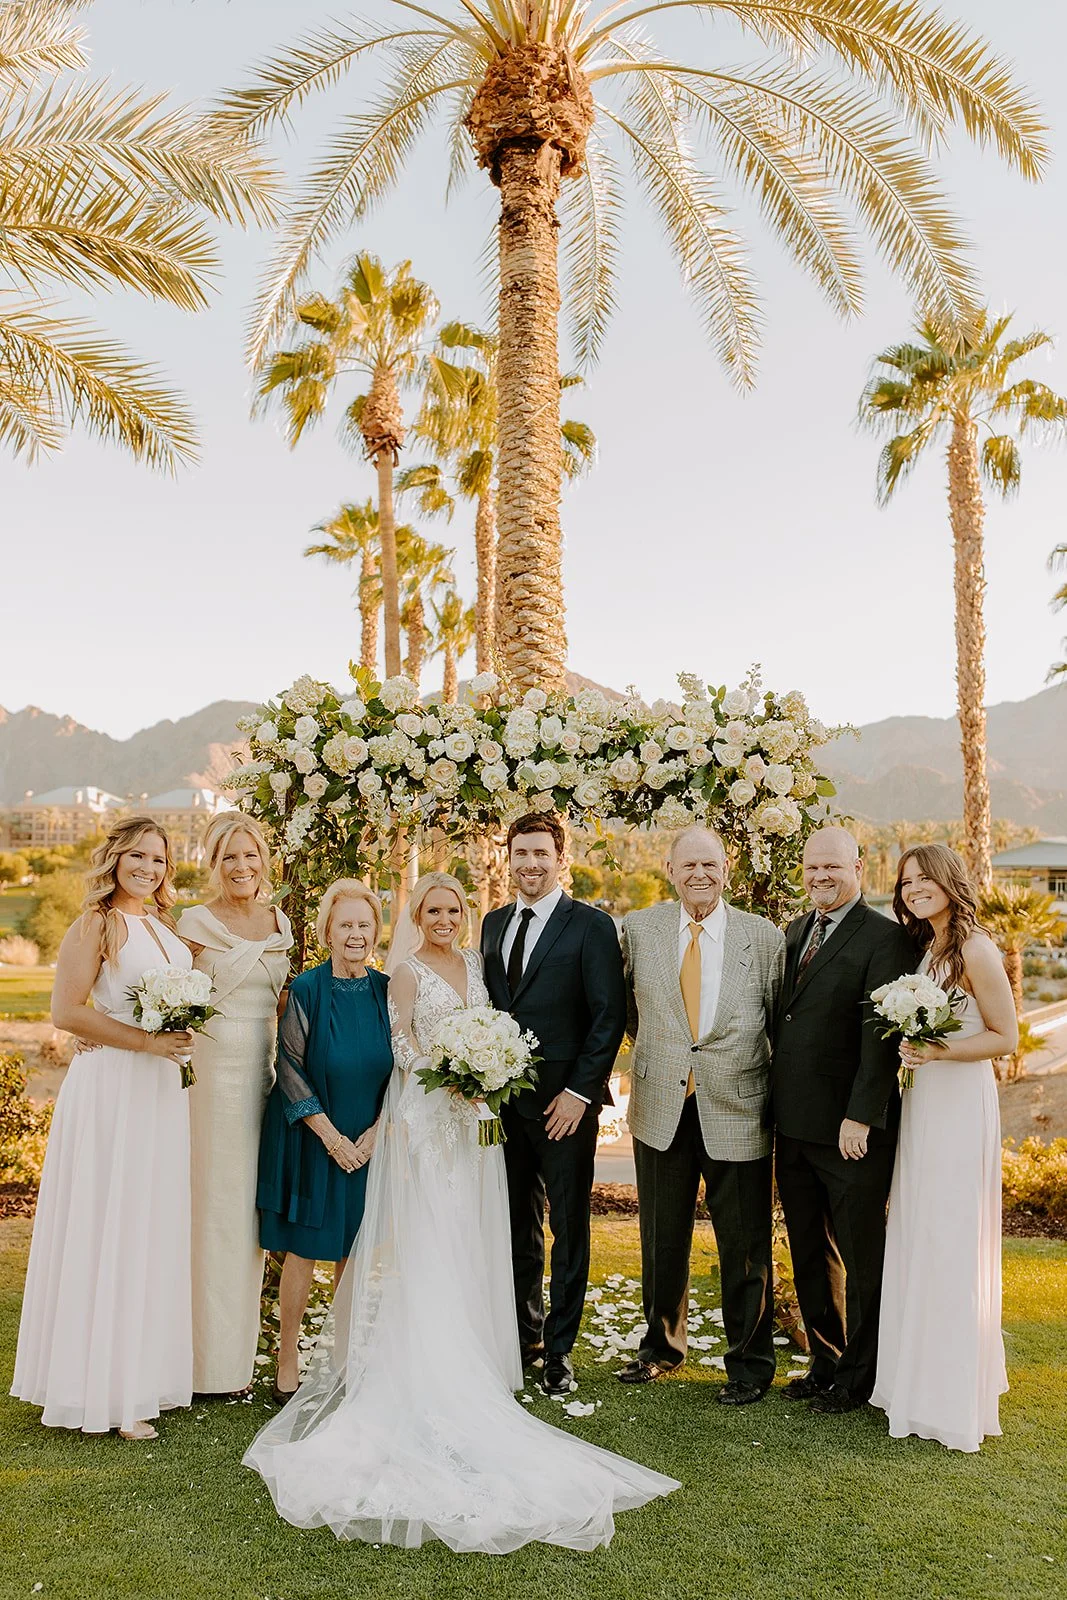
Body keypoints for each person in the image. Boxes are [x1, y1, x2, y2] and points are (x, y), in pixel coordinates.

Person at [243, 870, 679, 1553]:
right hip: (431, 1118)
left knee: (477, 1235)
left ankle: (478, 1354)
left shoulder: (477, 964)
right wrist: (449, 1075)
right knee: (429, 1237)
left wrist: (489, 1073)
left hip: (479, 1125)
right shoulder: (404, 973)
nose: (443, 918)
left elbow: (498, 1028)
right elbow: (402, 1046)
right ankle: (420, 1362)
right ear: (416, 916)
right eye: (432, 910)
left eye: (452, 909)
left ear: (463, 914)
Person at [12, 817, 196, 1441]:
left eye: (159, 859)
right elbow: (65, 1011)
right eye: (137, 855)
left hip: (159, 1091)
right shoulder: (95, 923)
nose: (148, 867)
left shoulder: (166, 928)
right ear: (115, 859)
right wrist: (146, 1042)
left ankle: (141, 1376)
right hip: (113, 1086)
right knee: (109, 1222)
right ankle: (104, 1393)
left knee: (146, 1226)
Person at [617, 826, 785, 1405]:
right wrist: (666, 1056)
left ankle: (749, 1365)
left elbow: (777, 1020)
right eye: (688, 865)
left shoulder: (763, 938)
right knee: (661, 1237)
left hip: (738, 1105)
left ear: (726, 869)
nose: (699, 874)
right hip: (661, 1103)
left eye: (710, 864)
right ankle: (660, 1347)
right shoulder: (639, 930)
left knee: (745, 1244)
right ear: (670, 870)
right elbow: (630, 1011)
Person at [871, 844, 1015, 1451]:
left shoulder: (976, 949)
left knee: (950, 1236)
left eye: (924, 878)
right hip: (925, 1103)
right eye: (906, 882)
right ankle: (915, 1381)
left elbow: (1005, 1037)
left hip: (958, 1105)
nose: (913, 889)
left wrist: (937, 1050)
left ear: (950, 881)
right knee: (921, 1231)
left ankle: (950, 1397)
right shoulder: (930, 947)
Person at [771, 826, 917, 1415]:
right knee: (810, 1251)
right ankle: (825, 1363)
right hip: (793, 1125)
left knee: (861, 1257)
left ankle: (859, 1379)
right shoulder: (796, 930)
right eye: (812, 867)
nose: (820, 876)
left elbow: (880, 1039)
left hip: (850, 1132)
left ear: (858, 866)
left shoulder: (886, 938)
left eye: (832, 866)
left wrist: (860, 1116)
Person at [480, 813, 627, 1396]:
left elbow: (608, 1017)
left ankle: (560, 1352)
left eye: (541, 853)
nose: (530, 864)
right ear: (509, 858)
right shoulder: (493, 924)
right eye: (521, 853)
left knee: (569, 1229)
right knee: (518, 1226)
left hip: (566, 1107)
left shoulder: (591, 926)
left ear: (561, 859)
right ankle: (526, 1338)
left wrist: (579, 1094)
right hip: (507, 1106)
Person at [256, 879, 392, 1403]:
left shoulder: (385, 990)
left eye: (364, 924)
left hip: (368, 1139)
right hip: (316, 1137)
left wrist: (375, 1135)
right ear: (327, 932)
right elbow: (288, 1067)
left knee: (353, 1253)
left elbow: (402, 1070)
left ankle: (343, 1356)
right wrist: (332, 1138)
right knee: (304, 1250)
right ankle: (288, 1355)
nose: (355, 934)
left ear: (375, 931)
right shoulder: (308, 990)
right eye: (345, 925)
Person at [179, 813, 293, 1396]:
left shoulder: (281, 924)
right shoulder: (193, 923)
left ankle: (236, 1362)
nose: (241, 866)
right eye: (228, 856)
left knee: (249, 1215)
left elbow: (283, 1007)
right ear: (213, 863)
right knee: (212, 1211)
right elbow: (164, 993)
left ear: (263, 860)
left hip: (263, 1081)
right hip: (208, 1080)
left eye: (250, 855)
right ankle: (200, 1364)